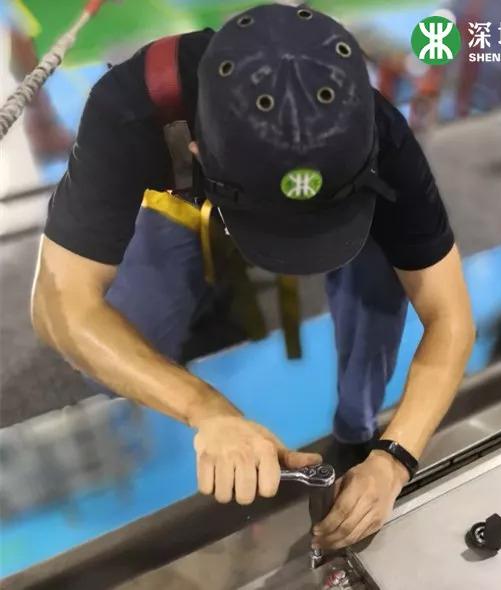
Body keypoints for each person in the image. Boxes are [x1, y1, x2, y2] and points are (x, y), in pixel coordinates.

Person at [31, 4, 475, 550]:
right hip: (176, 200)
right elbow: (59, 305)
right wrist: (205, 409)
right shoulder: (132, 108)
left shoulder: (382, 131)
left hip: (295, 192)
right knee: (114, 355)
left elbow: (450, 316)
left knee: (382, 289)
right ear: (196, 152)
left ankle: (357, 425)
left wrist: (395, 457)